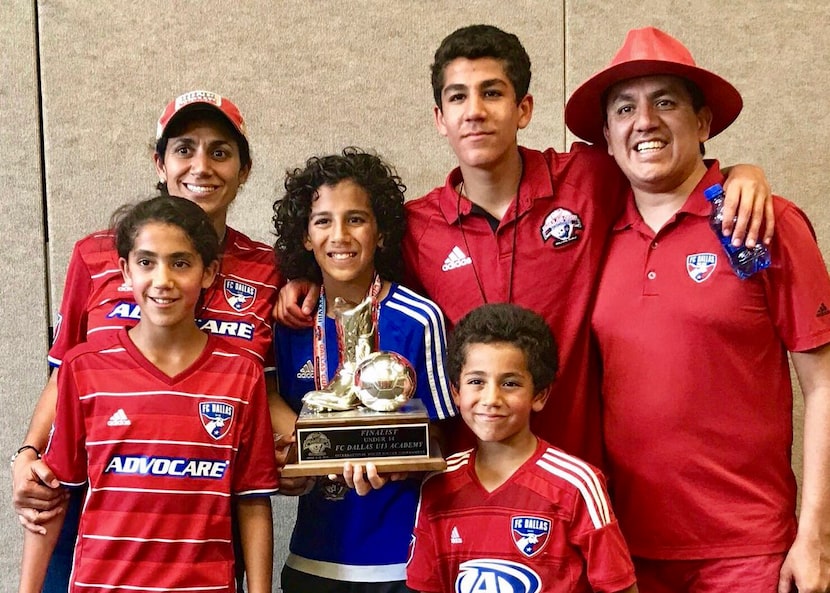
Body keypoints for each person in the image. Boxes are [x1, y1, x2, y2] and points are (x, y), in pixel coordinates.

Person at [275, 25, 773, 468]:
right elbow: (355, 270)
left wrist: (737, 175)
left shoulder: (588, 179)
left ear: (524, 109)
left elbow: (661, 166)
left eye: (492, 93)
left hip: (580, 478)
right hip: (464, 487)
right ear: (439, 118)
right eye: (458, 97)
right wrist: (304, 278)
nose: (475, 112)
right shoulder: (415, 225)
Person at [565, 27, 830, 593]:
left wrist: (816, 538)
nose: (645, 121)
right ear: (607, 139)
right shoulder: (595, 239)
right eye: (625, 109)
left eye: (665, 102)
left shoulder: (762, 224)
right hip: (626, 552)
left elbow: (826, 385)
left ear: (704, 123)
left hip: (750, 553)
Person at [11, 90, 291, 591]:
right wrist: (28, 454)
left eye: (220, 152)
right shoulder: (95, 254)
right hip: (100, 507)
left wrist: (311, 448)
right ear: (159, 161)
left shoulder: (271, 268)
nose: (200, 166)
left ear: (244, 169)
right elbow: (66, 373)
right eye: (184, 149)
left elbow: (260, 388)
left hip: (201, 518)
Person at [271, 147, 456, 593]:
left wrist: (395, 458)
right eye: (323, 221)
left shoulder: (419, 319)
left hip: (399, 559)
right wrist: (298, 455)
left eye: (356, 219)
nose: (340, 235)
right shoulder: (289, 322)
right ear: (305, 237)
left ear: (382, 232)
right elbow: (271, 398)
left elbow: (443, 434)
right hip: (312, 555)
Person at [407, 303, 637, 593]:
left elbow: (620, 588)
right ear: (456, 392)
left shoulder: (577, 485)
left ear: (539, 395)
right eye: (477, 381)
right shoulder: (438, 483)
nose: (491, 398)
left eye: (510, 383)